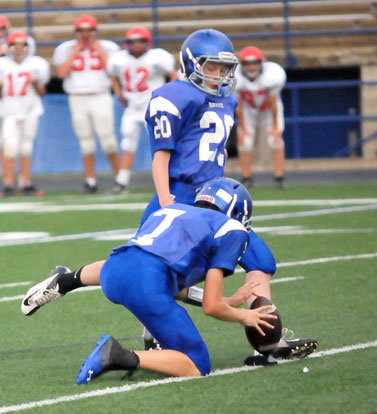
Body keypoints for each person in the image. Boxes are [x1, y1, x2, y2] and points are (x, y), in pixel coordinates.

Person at [22, 177, 279, 381]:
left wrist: (228, 301)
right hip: (145, 282)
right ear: (237, 212)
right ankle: (119, 356)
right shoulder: (231, 229)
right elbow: (211, 307)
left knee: (147, 272)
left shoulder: (176, 210)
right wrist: (245, 315)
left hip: (113, 270)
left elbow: (173, 285)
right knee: (197, 364)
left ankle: (66, 280)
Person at [52, 14, 121, 193]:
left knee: (108, 141)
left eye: (88, 30)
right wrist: (76, 50)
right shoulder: (66, 48)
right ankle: (90, 180)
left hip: (100, 95)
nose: (85, 34)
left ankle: (121, 179)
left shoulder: (108, 47)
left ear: (95, 31)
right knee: (86, 142)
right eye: (81, 31)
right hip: (77, 97)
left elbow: (113, 71)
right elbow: (61, 73)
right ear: (75, 32)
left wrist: (98, 50)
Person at [107, 26, 177, 193]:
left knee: (162, 143)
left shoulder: (157, 57)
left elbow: (173, 75)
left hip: (153, 107)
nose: (136, 45)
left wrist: (169, 96)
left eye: (140, 41)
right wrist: (118, 94)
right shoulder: (118, 60)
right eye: (132, 42)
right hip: (132, 107)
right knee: (127, 143)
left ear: (148, 43)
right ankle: (122, 181)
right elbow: (113, 77)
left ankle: (173, 177)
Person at [0, 31, 50, 196]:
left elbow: (42, 92)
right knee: (9, 147)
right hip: (8, 111)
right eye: (15, 45)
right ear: (9, 47)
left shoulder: (36, 64)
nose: (18, 49)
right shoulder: (2, 65)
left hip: (30, 110)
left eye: (22, 45)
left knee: (26, 147)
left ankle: (25, 183)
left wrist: (36, 84)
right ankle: (7, 183)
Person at [235, 46, 287, 189]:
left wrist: (276, 127)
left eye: (254, 63)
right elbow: (238, 105)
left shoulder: (273, 74)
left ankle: (279, 177)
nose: (251, 67)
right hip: (248, 110)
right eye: (247, 64)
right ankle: (247, 177)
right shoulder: (235, 77)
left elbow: (273, 103)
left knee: (275, 141)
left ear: (261, 62)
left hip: (269, 111)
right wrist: (243, 128)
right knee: (245, 142)